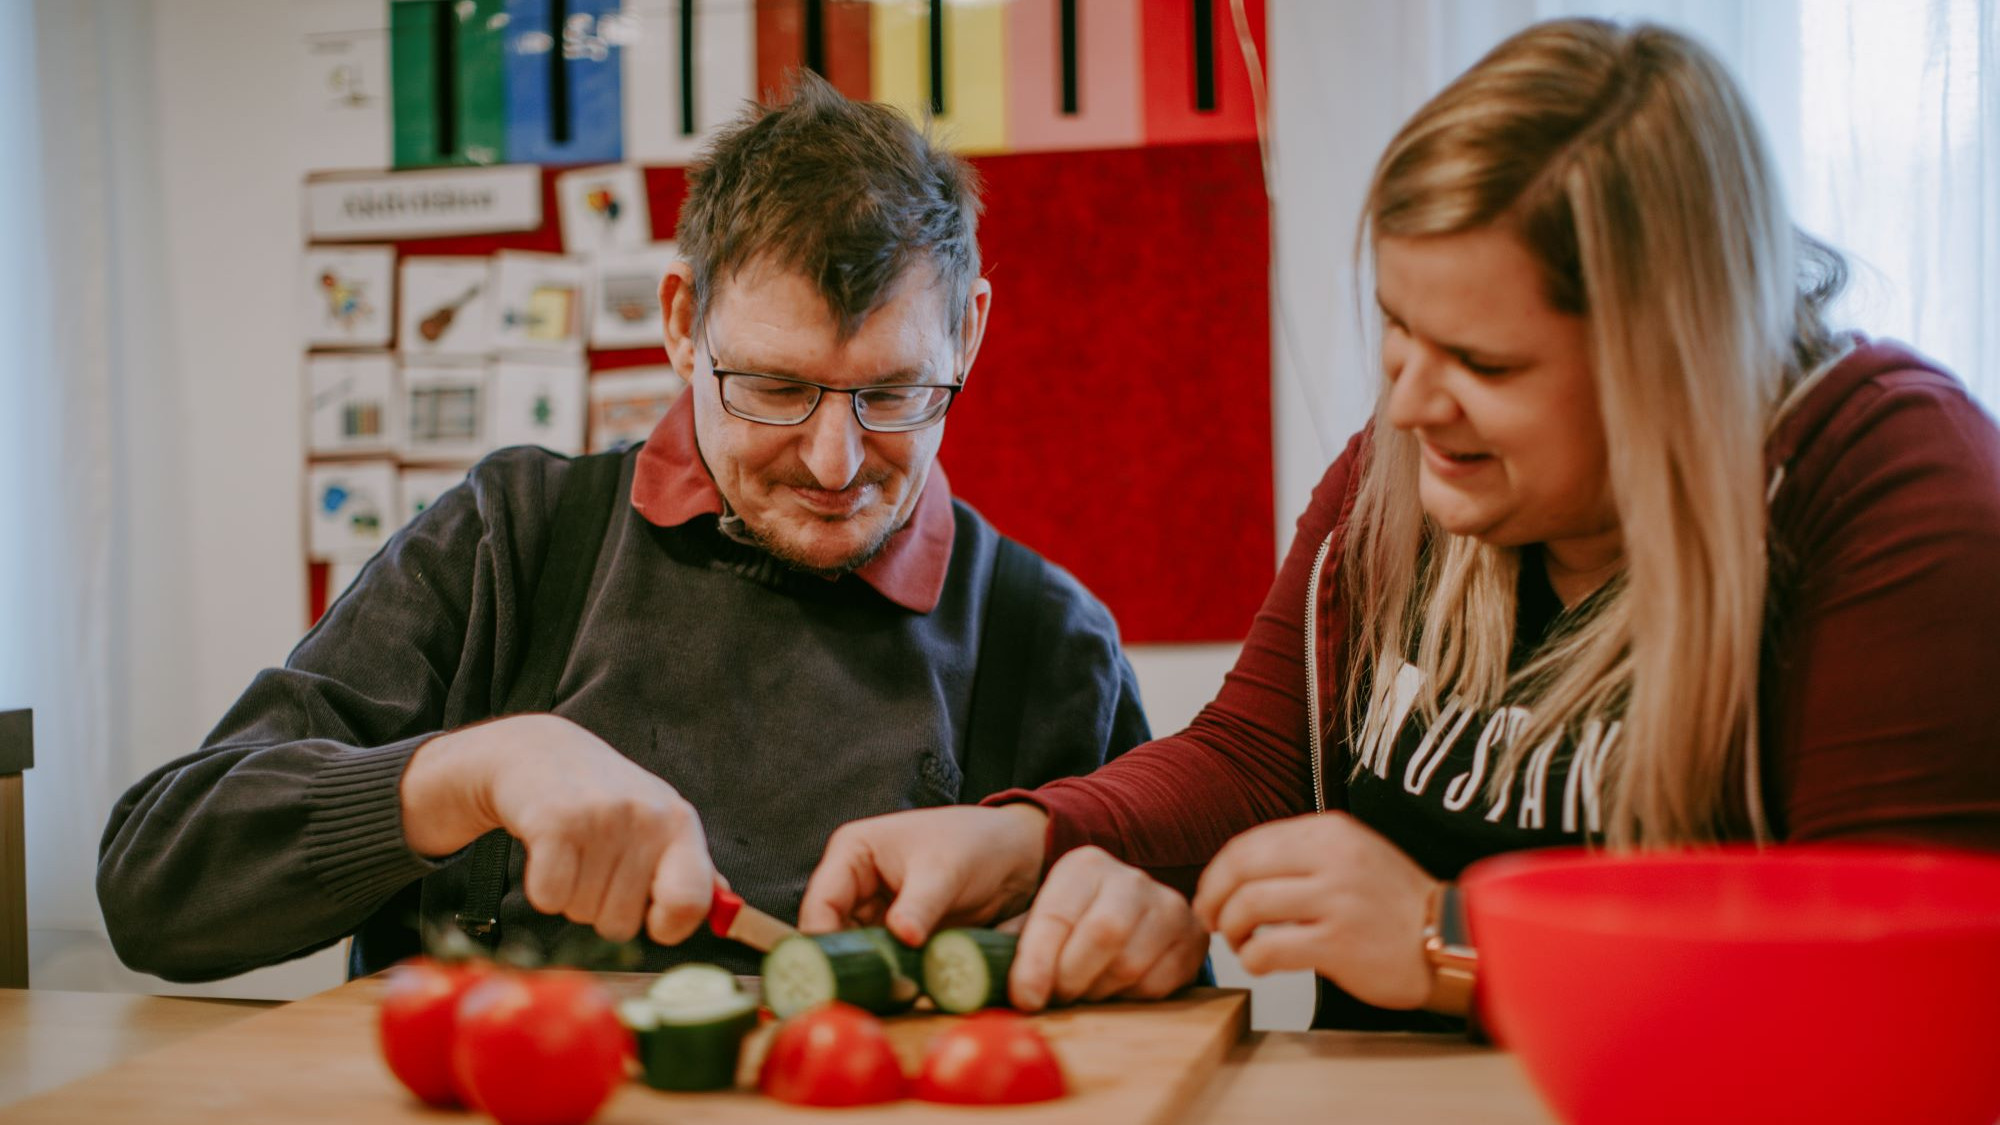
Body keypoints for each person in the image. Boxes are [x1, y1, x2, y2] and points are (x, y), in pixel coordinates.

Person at [800, 18, 2000, 1030]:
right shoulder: (1409, 466)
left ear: (1666, 358)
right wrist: (1024, 838)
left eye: (1482, 358)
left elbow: (1894, 989)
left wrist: (1447, 937)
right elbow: (1255, 762)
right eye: (1397, 326)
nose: (1410, 401)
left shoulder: (1883, 484)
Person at [96, 73, 1150, 983]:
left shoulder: (1047, 643)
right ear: (682, 324)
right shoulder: (509, 543)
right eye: (774, 389)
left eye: (894, 394)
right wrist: (468, 772)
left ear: (968, 330)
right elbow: (155, 886)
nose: (833, 463)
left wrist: (1130, 934)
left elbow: (1155, 980)